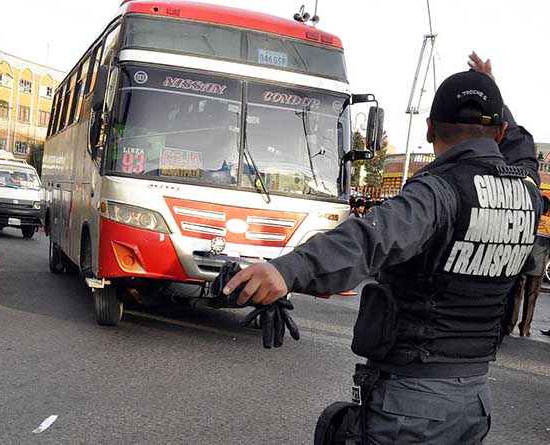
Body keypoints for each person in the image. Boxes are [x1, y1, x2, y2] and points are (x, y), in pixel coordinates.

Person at [222, 57, 541, 443]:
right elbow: (522, 152)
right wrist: (494, 95)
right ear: (501, 130)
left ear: (427, 130)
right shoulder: (526, 191)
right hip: (473, 402)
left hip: (412, 404)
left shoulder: (440, 192)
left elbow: (371, 238)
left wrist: (286, 270)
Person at [503, 196, 550, 337]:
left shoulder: (528, 219)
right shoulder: (548, 224)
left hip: (521, 263)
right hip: (539, 266)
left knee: (516, 295)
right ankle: (524, 328)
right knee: (531, 299)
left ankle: (509, 326)